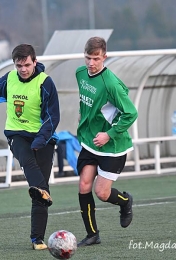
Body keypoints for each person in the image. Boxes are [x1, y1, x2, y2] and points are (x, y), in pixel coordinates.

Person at [0, 44, 60, 250]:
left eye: (27, 65)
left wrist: (41, 140)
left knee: (40, 189)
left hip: (43, 137)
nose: (23, 69)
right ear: (14, 64)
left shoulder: (46, 83)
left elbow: (52, 117)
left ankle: (37, 240)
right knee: (29, 165)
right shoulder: (10, 78)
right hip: (16, 134)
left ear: (35, 62)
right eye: (19, 65)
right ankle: (41, 194)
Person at [75, 37, 138, 247]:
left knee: (101, 193)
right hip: (89, 142)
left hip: (112, 146)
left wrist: (108, 134)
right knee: (84, 185)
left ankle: (125, 201)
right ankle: (92, 234)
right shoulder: (80, 73)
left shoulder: (110, 83)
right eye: (87, 58)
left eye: (95, 59)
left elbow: (131, 112)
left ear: (104, 57)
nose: (91, 63)